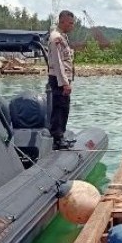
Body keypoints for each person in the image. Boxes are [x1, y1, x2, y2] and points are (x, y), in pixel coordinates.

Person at [47, 10, 76, 150]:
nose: (72, 26)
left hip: (63, 78)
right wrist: (64, 83)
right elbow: (58, 63)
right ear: (62, 21)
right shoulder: (56, 38)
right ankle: (57, 139)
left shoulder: (63, 37)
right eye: (70, 23)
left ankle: (61, 136)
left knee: (64, 107)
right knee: (59, 107)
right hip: (58, 79)